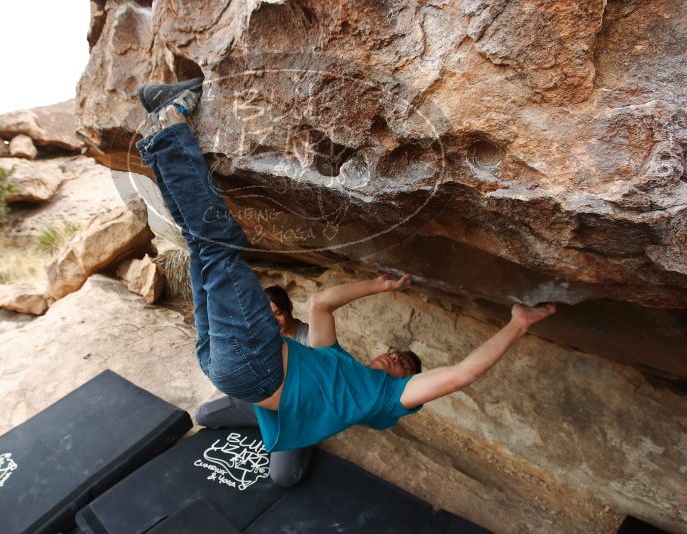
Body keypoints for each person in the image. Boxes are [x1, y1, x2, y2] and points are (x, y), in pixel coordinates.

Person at [134, 78, 556, 459]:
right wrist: (377, 283)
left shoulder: (385, 400)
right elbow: (320, 305)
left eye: (404, 365)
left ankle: (170, 125)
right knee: (204, 246)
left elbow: (463, 373)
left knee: (220, 245)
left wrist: (518, 324)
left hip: (254, 365)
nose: (395, 358)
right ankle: (159, 137)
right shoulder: (335, 365)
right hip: (226, 362)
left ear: (405, 389)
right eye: (396, 354)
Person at [195, 285, 312, 487]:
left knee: (283, 477)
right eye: (267, 316)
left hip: (291, 413)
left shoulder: (310, 338)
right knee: (203, 415)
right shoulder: (261, 334)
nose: (274, 321)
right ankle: (264, 425)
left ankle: (309, 438)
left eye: (279, 313)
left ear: (289, 308)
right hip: (261, 403)